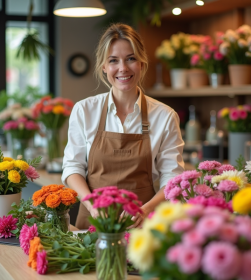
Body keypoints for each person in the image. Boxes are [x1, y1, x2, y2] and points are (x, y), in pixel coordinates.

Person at [61, 23, 184, 229]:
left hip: (142, 225)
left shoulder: (165, 116)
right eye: (113, 61)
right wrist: (93, 205)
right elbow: (72, 167)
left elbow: (173, 178)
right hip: (93, 221)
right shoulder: (84, 110)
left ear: (142, 63)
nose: (123, 68)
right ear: (103, 67)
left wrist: (145, 210)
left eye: (131, 59)